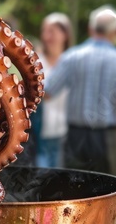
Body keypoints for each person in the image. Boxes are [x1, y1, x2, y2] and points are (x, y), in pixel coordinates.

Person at [44, 6, 116, 177]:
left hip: (76, 138)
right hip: (109, 139)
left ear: (91, 29)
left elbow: (47, 92)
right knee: (110, 195)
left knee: (73, 195)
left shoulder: (71, 57)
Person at [35, 13, 72, 168]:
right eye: (45, 31)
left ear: (65, 34)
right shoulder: (36, 61)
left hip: (66, 132)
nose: (47, 36)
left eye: (52, 31)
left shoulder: (72, 61)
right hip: (39, 133)